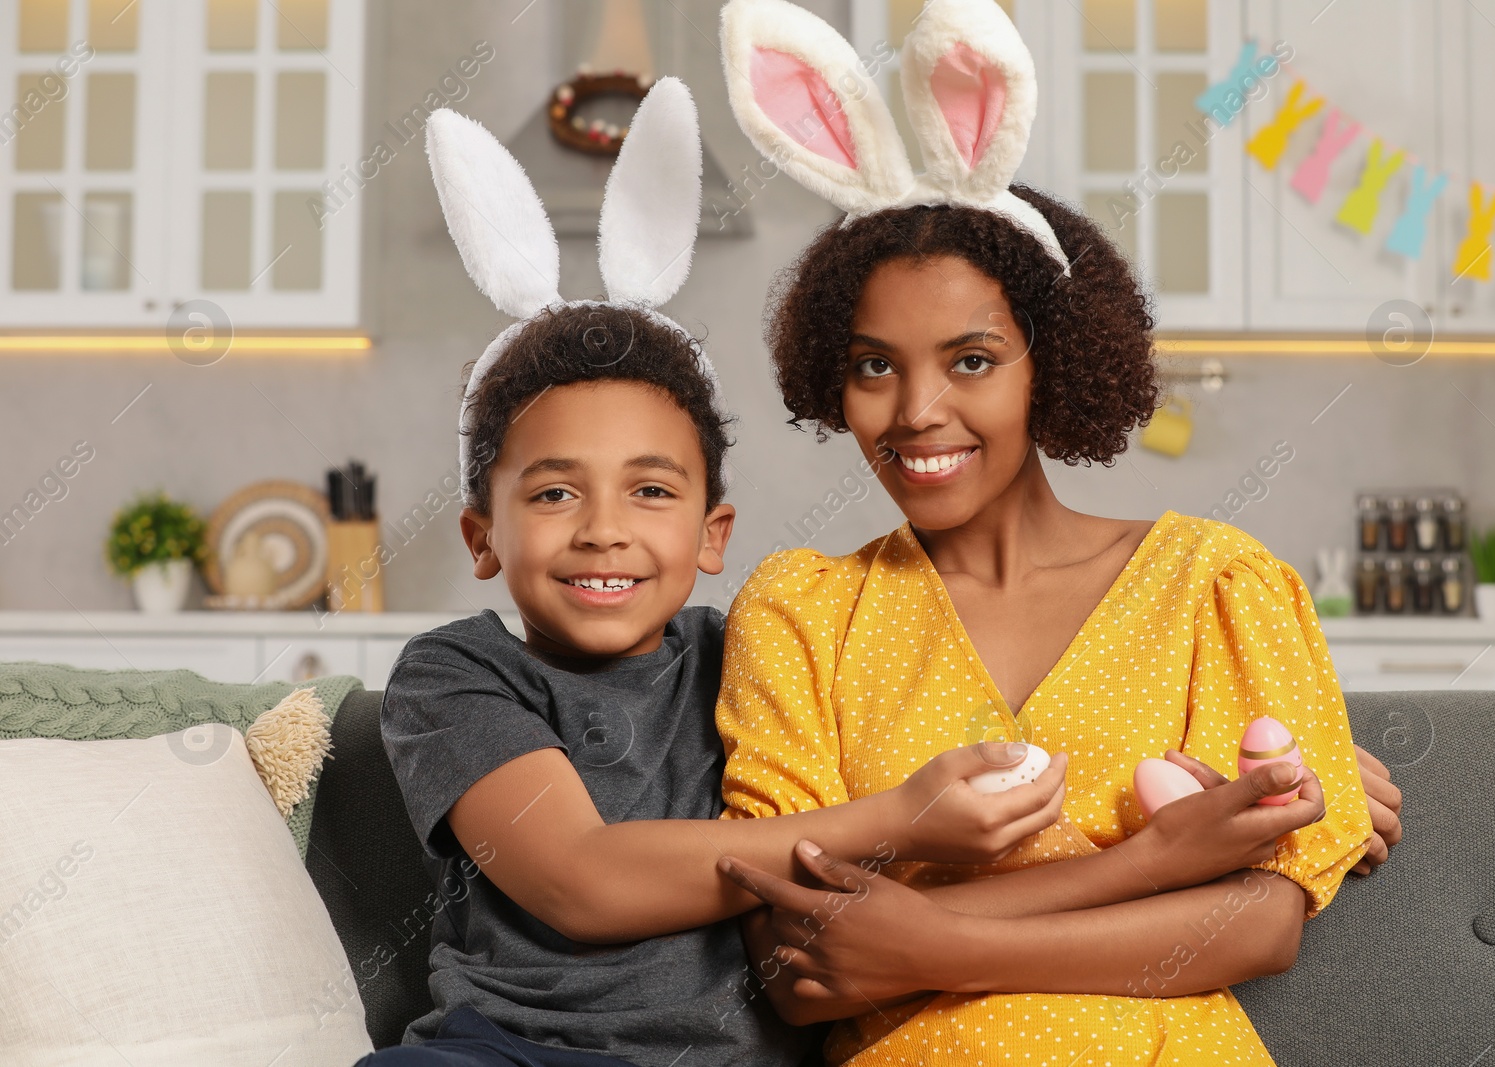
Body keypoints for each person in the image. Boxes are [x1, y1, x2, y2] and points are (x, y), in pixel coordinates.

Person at [711, 1, 1403, 1063]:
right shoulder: (801, 610)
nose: (916, 412)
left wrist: (926, 937)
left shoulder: (1214, 582)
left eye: (972, 360)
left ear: (1055, 362)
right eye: (873, 365)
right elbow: (799, 970)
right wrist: (1148, 870)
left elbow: (1259, 923)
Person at [360, 82, 1073, 1067]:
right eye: (556, 495)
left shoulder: (762, 648)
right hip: (509, 1050)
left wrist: (1293, 759)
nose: (604, 531)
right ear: (483, 536)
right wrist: (899, 816)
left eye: (651, 491)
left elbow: (994, 691)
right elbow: (584, 877)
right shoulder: (455, 676)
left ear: (712, 531)